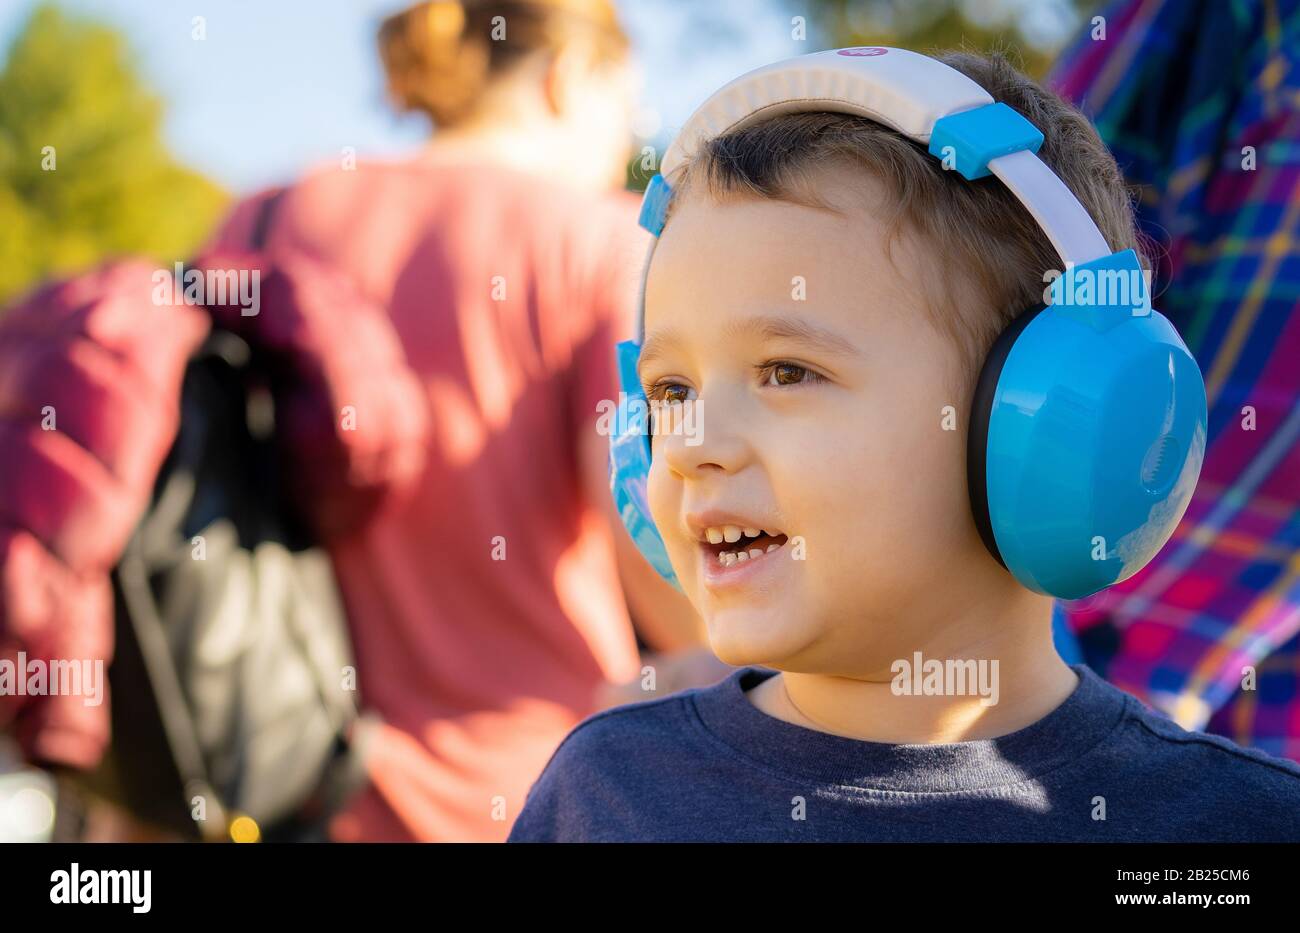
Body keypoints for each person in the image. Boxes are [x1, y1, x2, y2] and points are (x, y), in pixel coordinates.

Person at [507, 47, 1300, 842]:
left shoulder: (1231, 828)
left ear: (1055, 420)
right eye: (671, 391)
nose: (686, 445)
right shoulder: (603, 797)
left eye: (787, 371)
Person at [199, 0, 715, 842]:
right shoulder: (596, 245)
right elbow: (665, 572)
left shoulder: (258, 222)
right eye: (632, 109)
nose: (629, 141)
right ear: (570, 78)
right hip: (525, 796)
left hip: (268, 789)